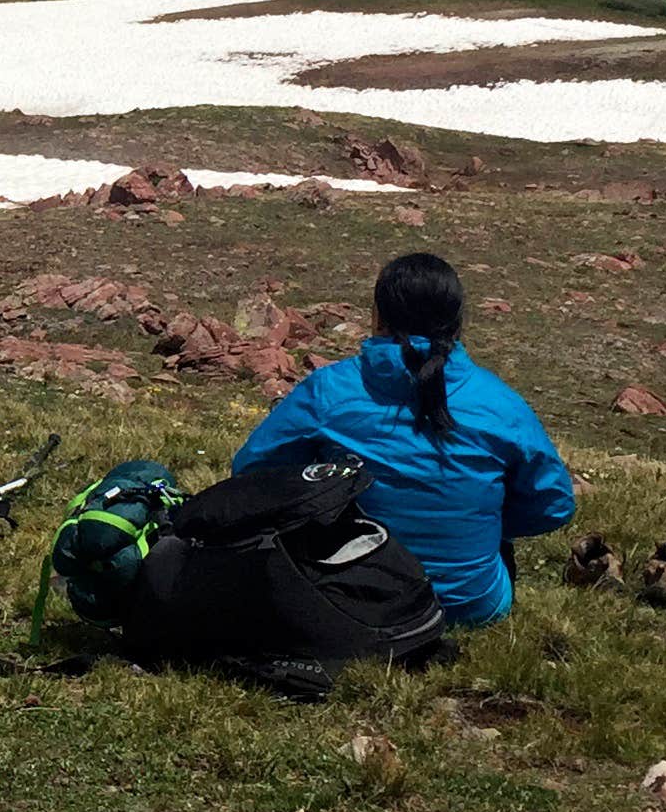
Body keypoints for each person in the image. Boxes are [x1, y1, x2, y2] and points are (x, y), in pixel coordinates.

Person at [231, 251, 573, 623]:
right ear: (456, 324)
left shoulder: (330, 391)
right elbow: (553, 505)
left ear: (378, 318)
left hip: (351, 598)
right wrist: (477, 518)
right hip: (471, 605)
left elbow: (251, 470)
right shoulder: (502, 405)